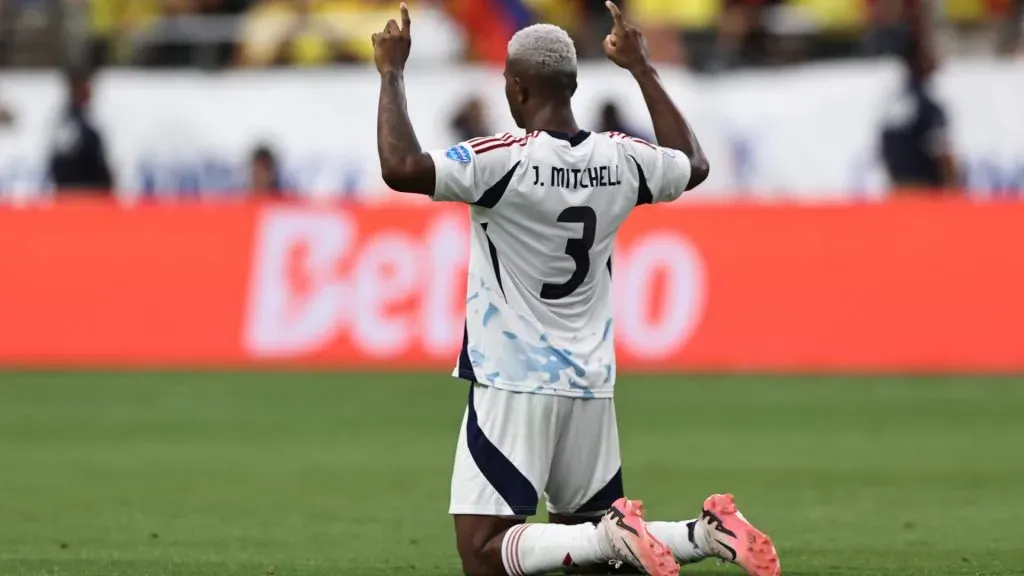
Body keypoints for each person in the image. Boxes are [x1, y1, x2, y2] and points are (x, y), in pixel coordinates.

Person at [373, 3, 780, 576]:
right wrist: (641, 68)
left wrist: (392, 72)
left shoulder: (503, 161)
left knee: (484, 551)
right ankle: (705, 534)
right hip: (590, 380)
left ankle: (618, 533)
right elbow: (692, 162)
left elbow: (401, 166)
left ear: (516, 89)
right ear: (572, 85)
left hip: (513, 377)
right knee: (585, 547)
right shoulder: (619, 157)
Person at [879, 0, 959, 192]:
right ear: (918, 58)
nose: (935, 55)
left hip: (897, 191)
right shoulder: (926, 105)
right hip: (924, 194)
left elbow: (884, 148)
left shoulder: (893, 100)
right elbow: (943, 154)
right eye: (929, 50)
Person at [49, 68, 114, 195]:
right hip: (80, 195)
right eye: (85, 88)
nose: (90, 92)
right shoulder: (70, 124)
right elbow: (61, 163)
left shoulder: (83, 120)